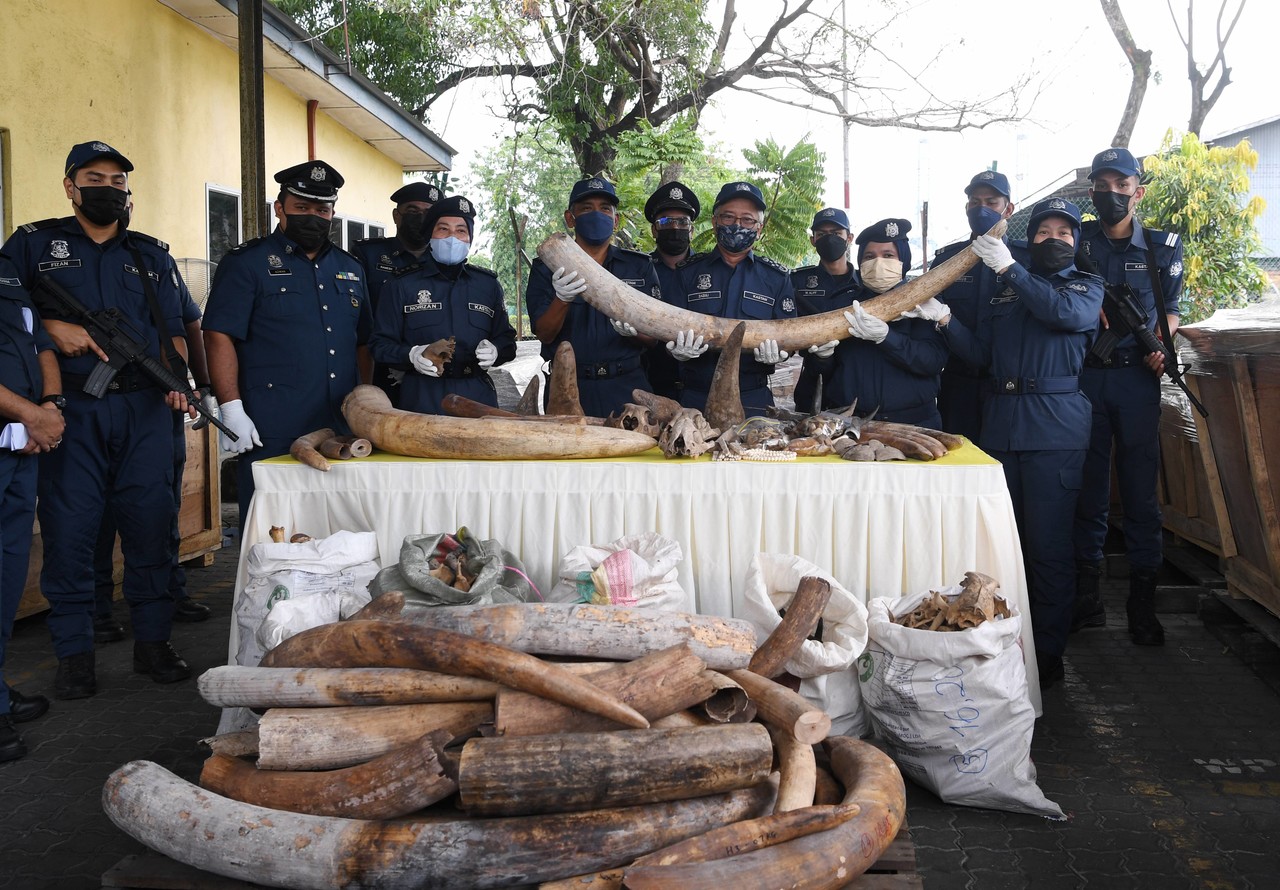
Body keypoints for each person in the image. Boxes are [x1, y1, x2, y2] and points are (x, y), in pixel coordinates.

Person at [0, 140, 197, 697]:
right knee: (70, 529)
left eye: (117, 181)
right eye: (94, 178)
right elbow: (7, 311)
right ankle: (75, 655)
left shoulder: (150, 254)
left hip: (145, 409)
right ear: (70, 185)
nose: (107, 189)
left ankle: (154, 642)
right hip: (74, 408)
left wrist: (178, 380)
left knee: (152, 524)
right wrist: (50, 327)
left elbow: (173, 330)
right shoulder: (35, 245)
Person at [918, 197, 1104, 688]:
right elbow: (981, 356)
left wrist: (1011, 270)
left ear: (1076, 243)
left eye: (1064, 234)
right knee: (1002, 546)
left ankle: (1046, 656)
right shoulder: (1006, 294)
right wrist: (944, 320)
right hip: (1000, 427)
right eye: (1043, 233)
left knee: (1046, 548)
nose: (1054, 240)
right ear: (1030, 238)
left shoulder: (1084, 287)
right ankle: (999, 648)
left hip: (1053, 433)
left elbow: (1062, 315)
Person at [203, 161, 373, 524]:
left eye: (321, 210)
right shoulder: (247, 263)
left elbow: (364, 342)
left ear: (332, 214)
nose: (313, 217)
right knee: (272, 529)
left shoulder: (351, 269)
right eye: (302, 208)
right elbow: (219, 335)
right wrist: (231, 408)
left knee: (340, 526)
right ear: (280, 208)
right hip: (272, 424)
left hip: (339, 423)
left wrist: (366, 405)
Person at [1072, 147, 1185, 646]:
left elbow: (1171, 309)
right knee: (1089, 491)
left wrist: (1160, 345)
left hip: (1138, 380)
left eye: (1122, 186)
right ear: (1092, 190)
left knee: (1140, 493)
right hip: (1088, 379)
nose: (1112, 194)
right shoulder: (1078, 241)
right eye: (1103, 185)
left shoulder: (1162, 246)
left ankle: (1143, 601)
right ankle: (1088, 598)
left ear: (1138, 192)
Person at [92, 263, 212, 643]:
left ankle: (169, 591)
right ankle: (97, 610)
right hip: (93, 403)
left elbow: (190, 325)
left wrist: (201, 384)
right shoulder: (46, 250)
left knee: (162, 507)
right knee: (95, 516)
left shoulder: (153, 260)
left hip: (157, 402)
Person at [525, 177, 663, 417]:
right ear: (570, 218)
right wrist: (562, 299)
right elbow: (544, 333)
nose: (597, 214)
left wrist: (634, 332)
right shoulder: (546, 266)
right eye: (587, 208)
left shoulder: (638, 266)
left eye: (605, 209)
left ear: (615, 220)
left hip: (628, 387)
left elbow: (653, 338)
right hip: (568, 386)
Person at [370, 195, 517, 414]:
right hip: (422, 396)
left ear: (469, 238)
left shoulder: (487, 285)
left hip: (477, 396)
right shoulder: (402, 284)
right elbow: (378, 345)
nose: (452, 238)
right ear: (430, 234)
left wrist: (497, 350)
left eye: (461, 230)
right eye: (443, 229)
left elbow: (507, 340)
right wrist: (412, 354)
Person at [0, 263, 64, 760]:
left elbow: (39, 343)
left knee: (5, 577)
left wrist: (48, 404)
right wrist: (30, 415)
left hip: (16, 451)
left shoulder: (7, 274)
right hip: (17, 431)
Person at [665, 181, 798, 416]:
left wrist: (781, 353)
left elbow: (790, 336)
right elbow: (666, 326)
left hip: (753, 398)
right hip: (695, 396)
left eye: (747, 220)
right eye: (728, 217)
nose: (737, 225)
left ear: (759, 227)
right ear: (715, 222)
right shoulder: (687, 273)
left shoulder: (776, 278)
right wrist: (675, 349)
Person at [828, 218, 948, 427]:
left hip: (915, 424)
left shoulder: (924, 303)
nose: (878, 262)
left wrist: (887, 337)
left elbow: (932, 362)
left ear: (903, 260)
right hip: (850, 423)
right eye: (869, 256)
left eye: (888, 255)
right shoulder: (842, 303)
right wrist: (821, 358)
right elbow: (825, 370)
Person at [933, 171, 1016, 441]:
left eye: (991, 202)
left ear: (1008, 208)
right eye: (974, 202)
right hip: (958, 382)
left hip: (1010, 386)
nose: (982, 209)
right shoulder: (946, 260)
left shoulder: (1026, 260)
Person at [351, 181, 441, 407]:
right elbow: (356, 318)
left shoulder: (444, 261)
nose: (420, 217)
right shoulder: (368, 255)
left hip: (431, 372)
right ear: (396, 215)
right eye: (412, 211)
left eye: (428, 212)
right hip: (377, 368)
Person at [790, 208, 857, 414]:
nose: (829, 239)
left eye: (836, 234)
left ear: (849, 238)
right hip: (813, 384)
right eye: (822, 234)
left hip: (855, 382)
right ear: (813, 240)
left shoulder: (864, 283)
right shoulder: (796, 282)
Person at [643, 181, 701, 400]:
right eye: (666, 221)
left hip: (701, 388)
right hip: (652, 386)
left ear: (691, 229)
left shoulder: (708, 271)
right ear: (654, 229)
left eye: (682, 222)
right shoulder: (640, 271)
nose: (675, 228)